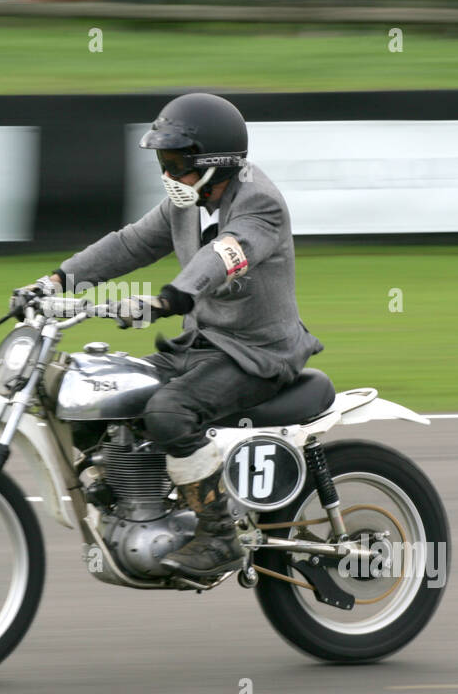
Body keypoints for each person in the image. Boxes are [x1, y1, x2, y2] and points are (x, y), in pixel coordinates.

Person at [19, 92, 322, 578]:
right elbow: (130, 244)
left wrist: (172, 297)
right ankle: (130, 497)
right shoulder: (187, 203)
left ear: (214, 163)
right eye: (163, 161)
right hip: (202, 346)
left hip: (257, 354)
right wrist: (55, 282)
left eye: (176, 162)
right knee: (100, 390)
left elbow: (225, 255)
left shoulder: (259, 203)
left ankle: (218, 536)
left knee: (169, 412)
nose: (167, 173)